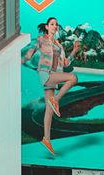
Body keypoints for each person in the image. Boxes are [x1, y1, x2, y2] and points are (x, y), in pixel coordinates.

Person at [21, 17, 81, 156]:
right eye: (52, 24)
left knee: (49, 110)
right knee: (73, 78)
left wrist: (74, 50)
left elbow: (65, 63)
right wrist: (20, 60)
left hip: (55, 75)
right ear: (47, 27)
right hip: (46, 74)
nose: (55, 26)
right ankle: (56, 100)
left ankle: (46, 139)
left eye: (56, 24)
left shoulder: (59, 45)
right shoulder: (41, 40)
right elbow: (29, 53)